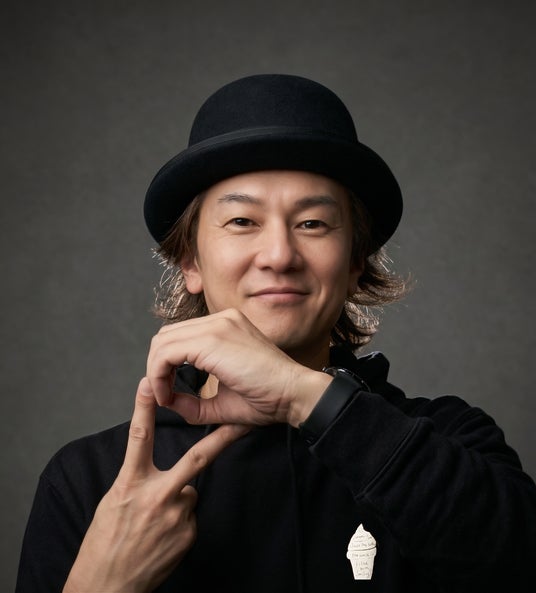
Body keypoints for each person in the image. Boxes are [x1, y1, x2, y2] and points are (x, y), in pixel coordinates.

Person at [16, 74, 536, 593]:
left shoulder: (452, 440)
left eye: (313, 224)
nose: (280, 256)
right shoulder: (91, 480)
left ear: (355, 262)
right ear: (190, 261)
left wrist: (300, 395)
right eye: (242, 221)